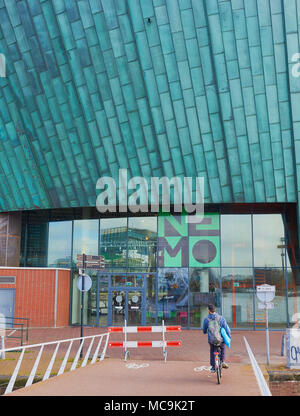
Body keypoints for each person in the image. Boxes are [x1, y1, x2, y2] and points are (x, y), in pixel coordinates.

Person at [202, 304, 231, 373]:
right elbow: (227, 329)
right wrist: (229, 337)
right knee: (223, 347)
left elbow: (204, 331)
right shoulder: (221, 318)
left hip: (211, 340)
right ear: (215, 310)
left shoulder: (206, 319)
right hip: (220, 340)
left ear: (209, 310)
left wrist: (206, 331)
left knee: (212, 351)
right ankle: (223, 361)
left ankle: (213, 366)